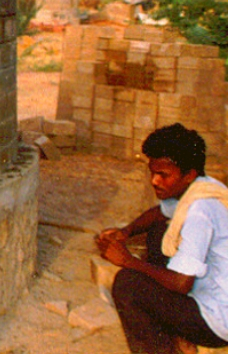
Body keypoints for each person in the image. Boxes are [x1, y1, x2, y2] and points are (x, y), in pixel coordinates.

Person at [96, 123, 228, 354]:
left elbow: (180, 283)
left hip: (217, 320)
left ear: (189, 175)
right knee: (159, 234)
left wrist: (128, 260)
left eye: (163, 175)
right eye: (153, 172)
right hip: (210, 296)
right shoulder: (203, 187)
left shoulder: (200, 212)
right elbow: (160, 213)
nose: (154, 181)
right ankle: (176, 337)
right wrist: (126, 231)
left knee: (128, 285)